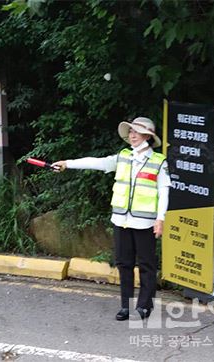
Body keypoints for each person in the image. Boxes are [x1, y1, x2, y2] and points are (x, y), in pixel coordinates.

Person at [53, 117, 171, 321]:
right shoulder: (123, 157)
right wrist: (67, 164)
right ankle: (126, 305)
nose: (132, 135)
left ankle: (144, 306)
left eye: (137, 132)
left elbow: (164, 191)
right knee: (124, 264)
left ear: (148, 137)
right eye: (131, 131)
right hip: (121, 220)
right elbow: (96, 163)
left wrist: (160, 219)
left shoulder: (159, 161)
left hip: (145, 222)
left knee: (146, 265)